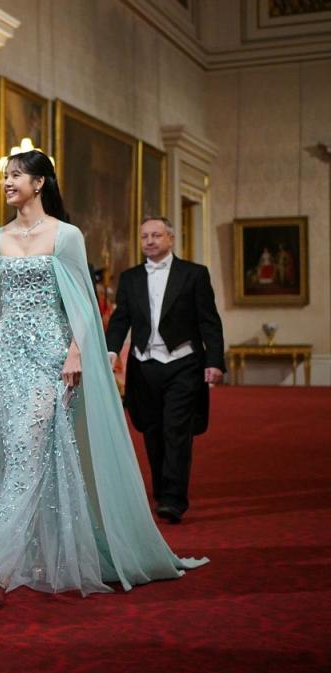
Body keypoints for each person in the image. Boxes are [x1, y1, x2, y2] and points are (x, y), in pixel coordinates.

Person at [0, 150, 207, 600]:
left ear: (39, 183)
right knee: (17, 451)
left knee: (30, 445)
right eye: (5, 176)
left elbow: (84, 305)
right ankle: (37, 549)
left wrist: (75, 352)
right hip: (7, 359)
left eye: (16, 176)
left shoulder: (66, 236)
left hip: (53, 358)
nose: (8, 183)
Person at [105, 217, 225, 524]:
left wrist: (214, 361)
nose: (150, 241)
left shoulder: (194, 274)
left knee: (177, 430)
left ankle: (173, 498)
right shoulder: (130, 278)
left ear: (170, 238)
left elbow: (208, 321)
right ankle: (161, 489)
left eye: (156, 235)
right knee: (152, 430)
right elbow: (121, 320)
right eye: (144, 236)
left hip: (184, 363)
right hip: (144, 366)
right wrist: (109, 350)